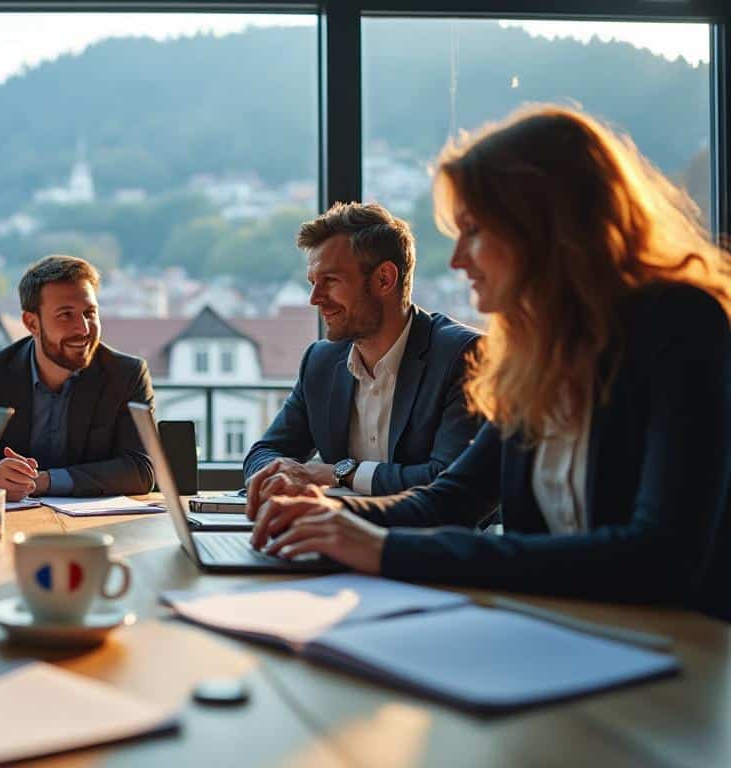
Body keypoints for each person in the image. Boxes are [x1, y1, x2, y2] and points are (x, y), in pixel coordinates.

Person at [251, 105, 731, 618]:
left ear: (544, 226)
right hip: (562, 638)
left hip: (675, 657)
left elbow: (658, 555)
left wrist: (380, 545)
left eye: (473, 229)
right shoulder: (535, 351)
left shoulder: (681, 324)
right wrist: (326, 515)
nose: (458, 259)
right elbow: (450, 499)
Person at [243, 202, 482, 507]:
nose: (315, 299)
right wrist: (282, 473)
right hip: (329, 540)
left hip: (427, 548)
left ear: (384, 279)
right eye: (312, 283)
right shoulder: (321, 362)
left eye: (330, 281)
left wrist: (341, 474)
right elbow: (263, 453)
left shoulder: (462, 357)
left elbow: (448, 484)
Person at [0, 255, 155, 500]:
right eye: (66, 315)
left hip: (92, 529)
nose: (84, 328)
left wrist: (46, 481)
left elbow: (141, 470)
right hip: (9, 526)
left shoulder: (126, 375)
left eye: (89, 313)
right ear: (31, 323)